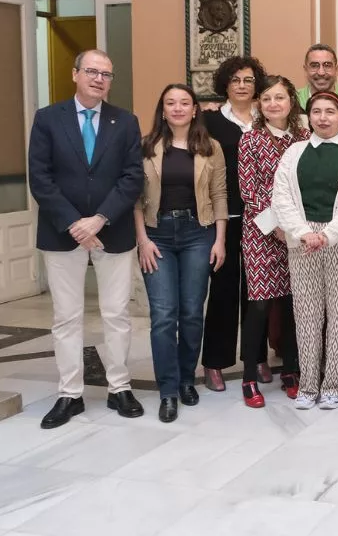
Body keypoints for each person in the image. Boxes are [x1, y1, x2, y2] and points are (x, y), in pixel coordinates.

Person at [28, 49, 145, 428]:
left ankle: (119, 387)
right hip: (62, 233)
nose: (99, 79)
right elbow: (40, 177)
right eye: (92, 71)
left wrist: (99, 219)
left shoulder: (125, 122)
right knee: (66, 316)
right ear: (75, 74)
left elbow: (132, 177)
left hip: (113, 230)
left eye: (106, 74)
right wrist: (73, 223)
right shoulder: (48, 119)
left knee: (117, 314)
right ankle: (70, 394)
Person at [271, 91, 338, 410]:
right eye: (316, 111)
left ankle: (334, 386)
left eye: (330, 111)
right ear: (308, 117)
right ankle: (308, 385)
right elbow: (281, 197)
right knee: (306, 315)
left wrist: (328, 234)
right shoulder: (294, 152)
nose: (323, 117)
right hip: (302, 239)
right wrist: (303, 233)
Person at [134, 84, 228, 423]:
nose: (177, 108)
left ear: (194, 109)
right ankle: (168, 390)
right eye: (170, 103)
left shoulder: (210, 147)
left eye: (184, 103)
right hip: (156, 235)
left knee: (191, 312)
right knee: (163, 315)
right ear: (162, 110)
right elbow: (135, 198)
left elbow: (219, 195)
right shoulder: (146, 146)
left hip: (198, 234)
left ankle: (187, 378)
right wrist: (142, 240)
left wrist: (220, 240)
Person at [237, 75, 309, 407]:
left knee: (295, 303)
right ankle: (249, 376)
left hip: (300, 232)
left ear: (291, 101)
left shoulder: (304, 138)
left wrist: (294, 227)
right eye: (266, 98)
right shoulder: (250, 140)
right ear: (259, 105)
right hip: (261, 234)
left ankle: (292, 370)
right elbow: (249, 192)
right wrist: (276, 226)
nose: (273, 104)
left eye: (279, 97)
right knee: (260, 305)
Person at [200, 56, 268, 391]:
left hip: (264, 218)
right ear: (225, 84)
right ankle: (214, 361)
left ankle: (257, 357)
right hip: (225, 216)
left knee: (258, 291)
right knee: (223, 289)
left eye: (248, 80)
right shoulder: (210, 120)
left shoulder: (266, 117)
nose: (242, 85)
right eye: (236, 80)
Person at [295, 43, 338, 112]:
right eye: (314, 66)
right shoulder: (293, 103)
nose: (321, 72)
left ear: (336, 70)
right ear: (305, 70)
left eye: (327, 65)